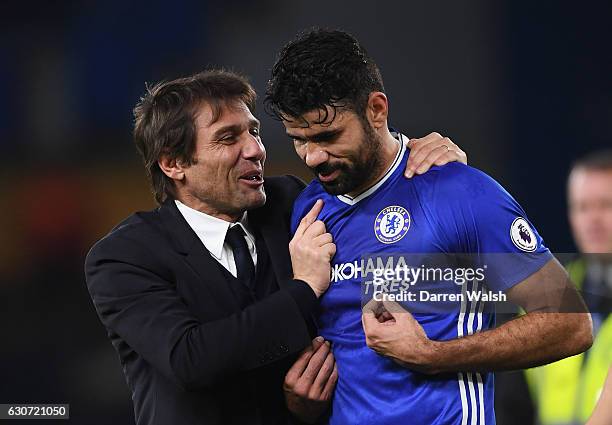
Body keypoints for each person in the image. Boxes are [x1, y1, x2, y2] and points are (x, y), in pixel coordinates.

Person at [84, 70, 466, 425]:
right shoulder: (124, 256)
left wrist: (428, 175)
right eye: (228, 138)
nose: (255, 150)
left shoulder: (292, 204)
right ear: (174, 162)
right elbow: (190, 360)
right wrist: (303, 290)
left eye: (254, 132)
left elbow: (390, 240)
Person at [265, 28, 593, 425]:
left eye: (329, 135)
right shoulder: (306, 212)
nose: (313, 156)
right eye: (299, 140)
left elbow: (570, 323)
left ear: (376, 110)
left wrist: (433, 356)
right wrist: (301, 402)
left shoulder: (461, 193)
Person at [520, 150, 612, 425]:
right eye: (582, 207)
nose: (593, 220)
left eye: (606, 205)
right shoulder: (544, 296)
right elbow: (513, 403)